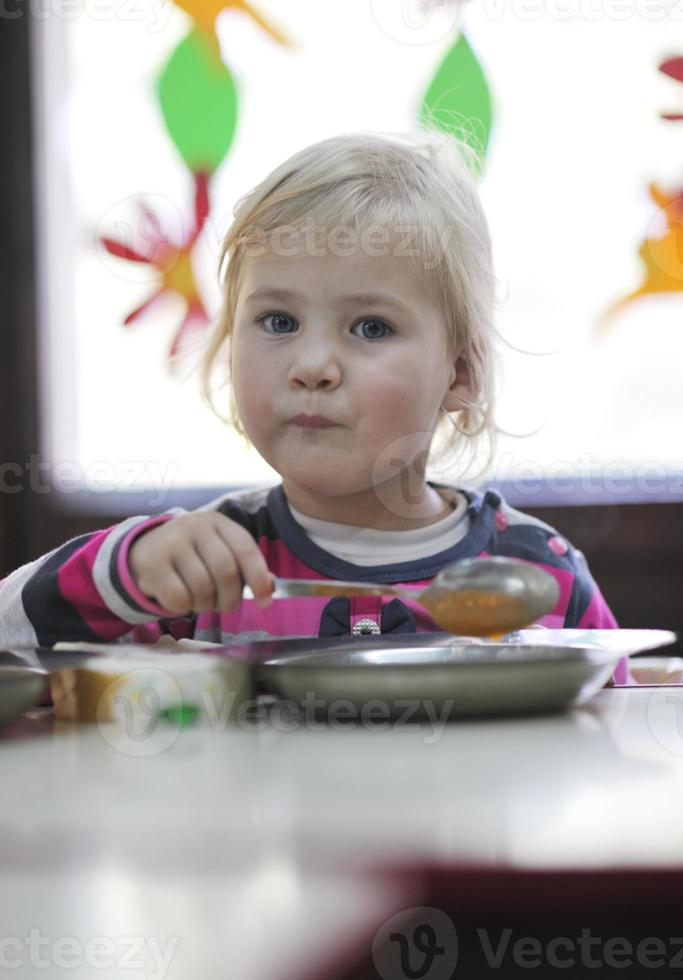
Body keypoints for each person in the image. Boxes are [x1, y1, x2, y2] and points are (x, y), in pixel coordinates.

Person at [0, 129, 631, 684]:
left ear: (459, 373)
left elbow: (618, 736)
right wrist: (126, 568)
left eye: (371, 328)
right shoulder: (202, 570)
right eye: (278, 320)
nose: (311, 366)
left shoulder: (537, 574)